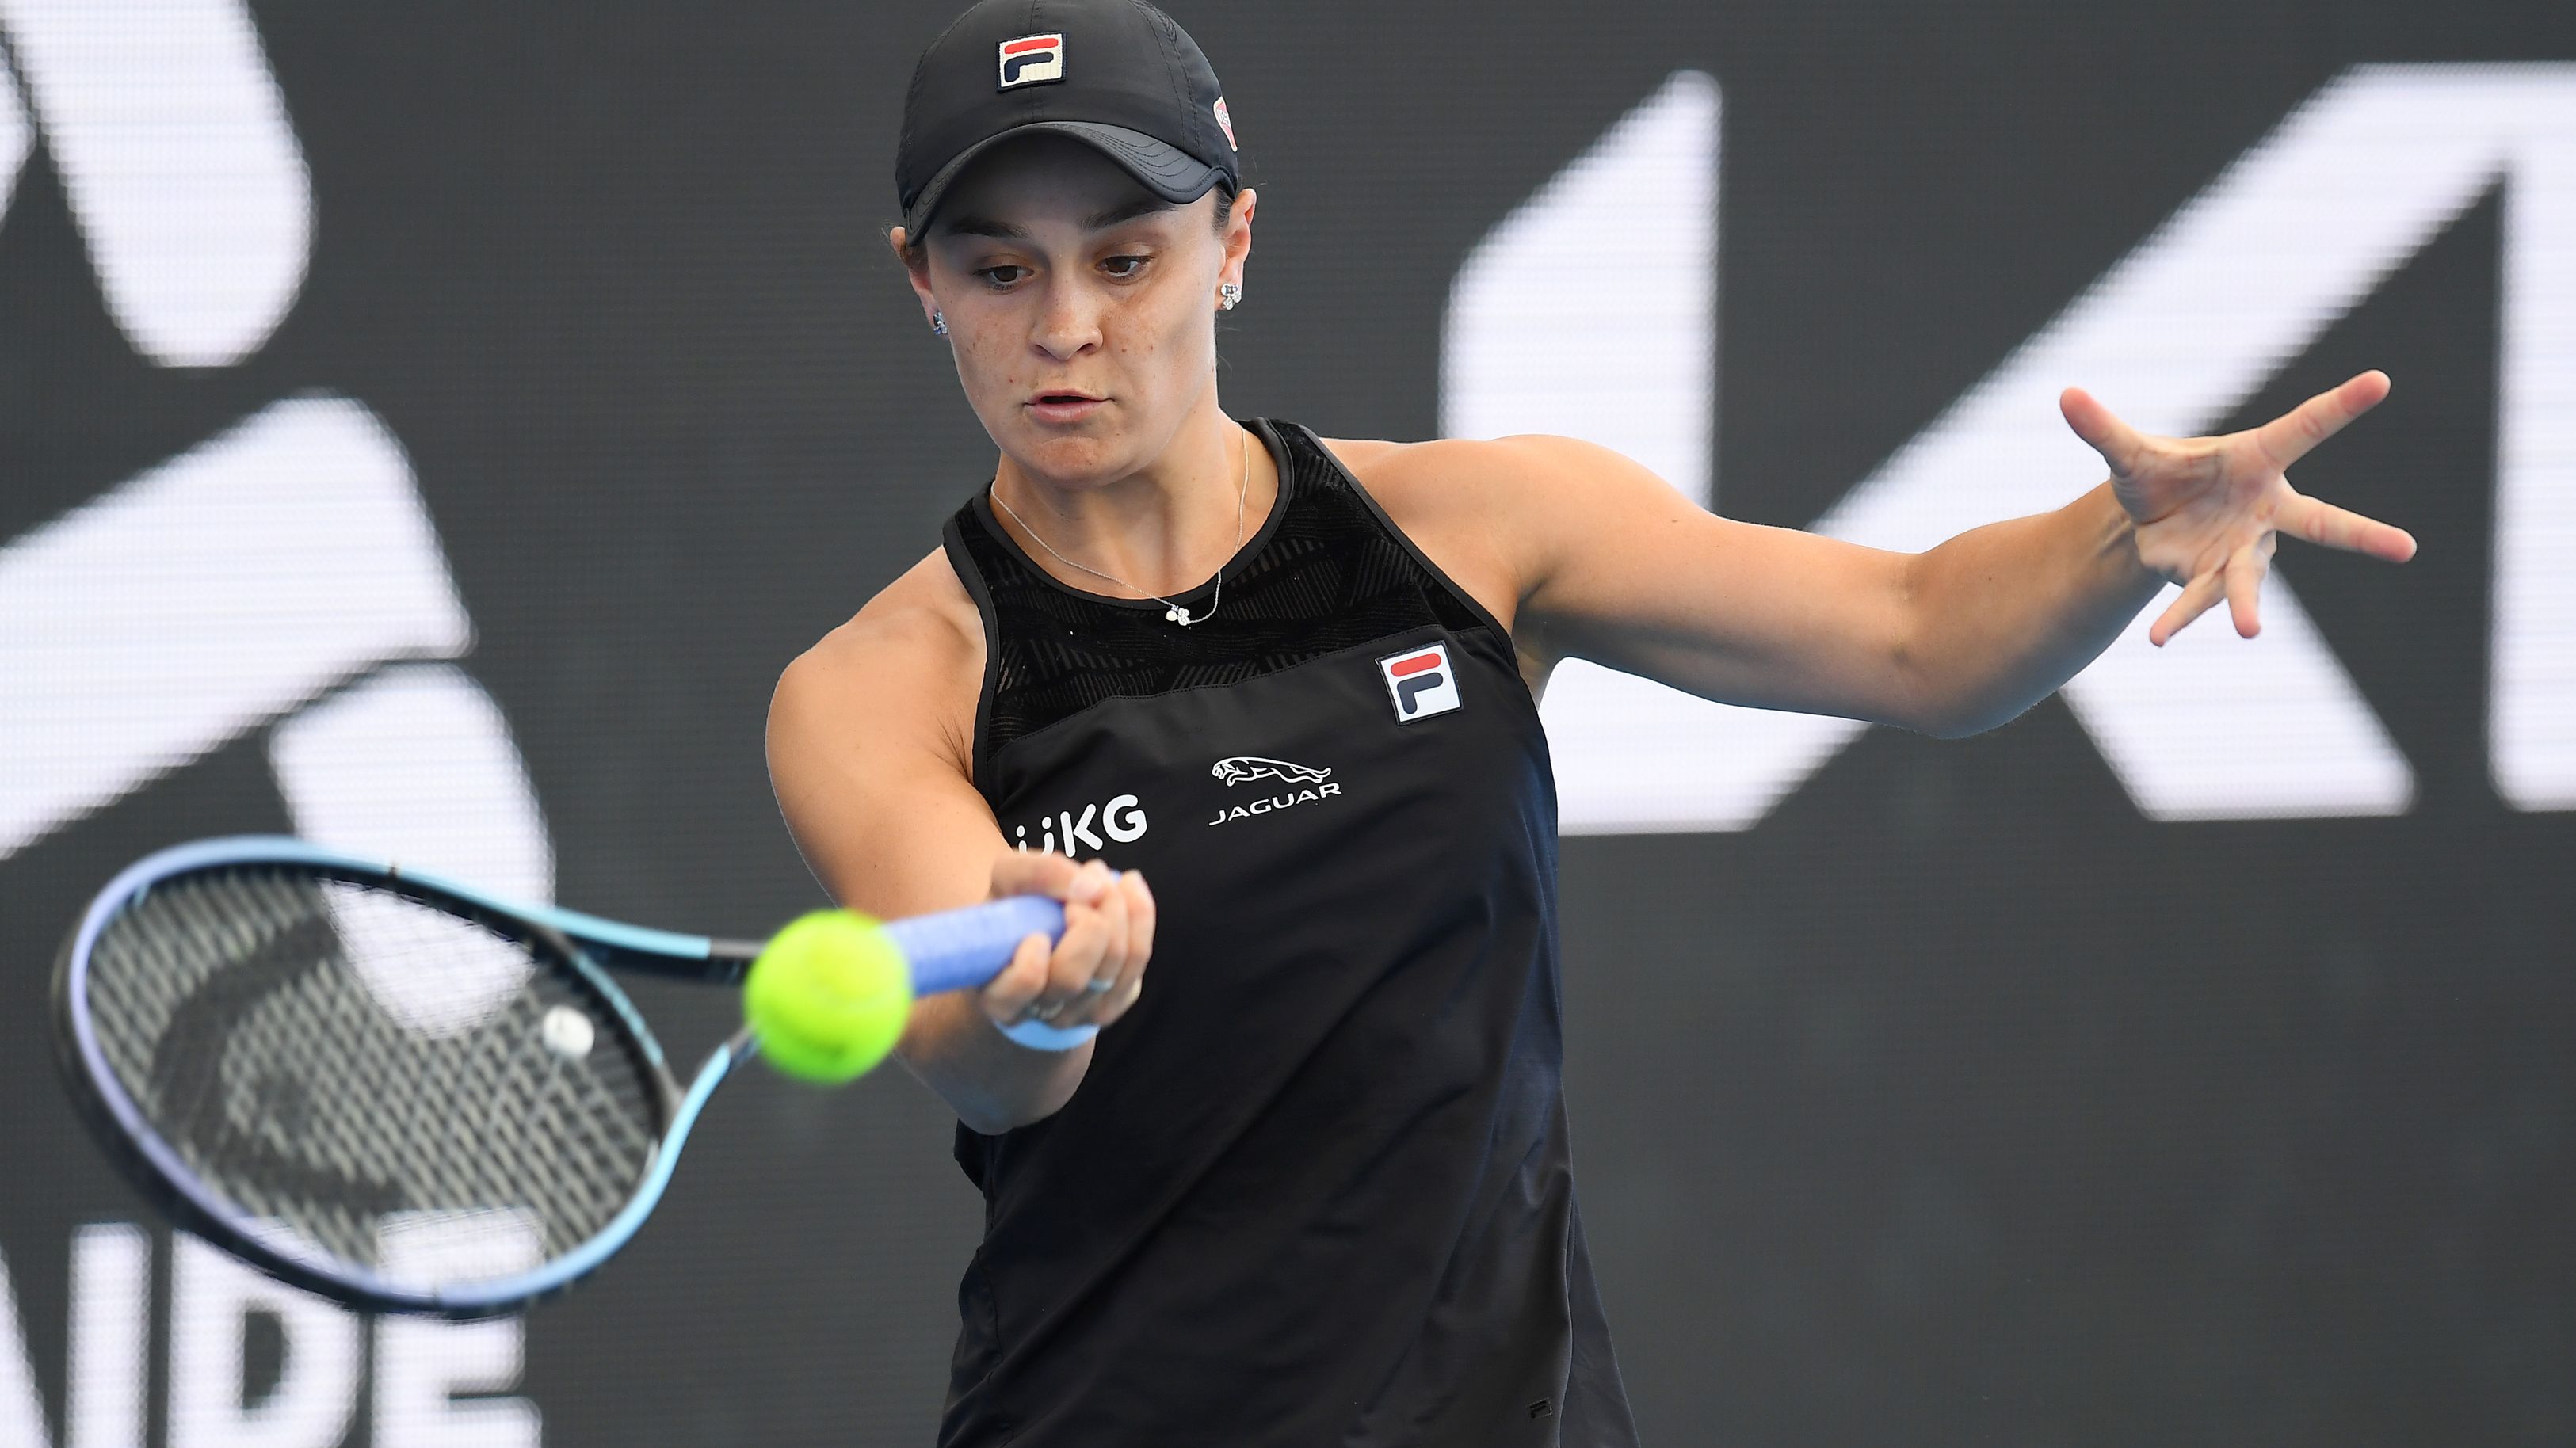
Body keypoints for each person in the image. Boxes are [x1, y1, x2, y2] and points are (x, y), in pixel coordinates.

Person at [765, 2, 2416, 1442]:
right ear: (921, 281)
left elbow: (1917, 638)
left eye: (1126, 258)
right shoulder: (879, 683)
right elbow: (975, 1063)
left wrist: (2117, 535)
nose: (1067, 327)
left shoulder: (1486, 526)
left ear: (1235, 243)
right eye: (1000, 269)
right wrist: (1047, 1000)